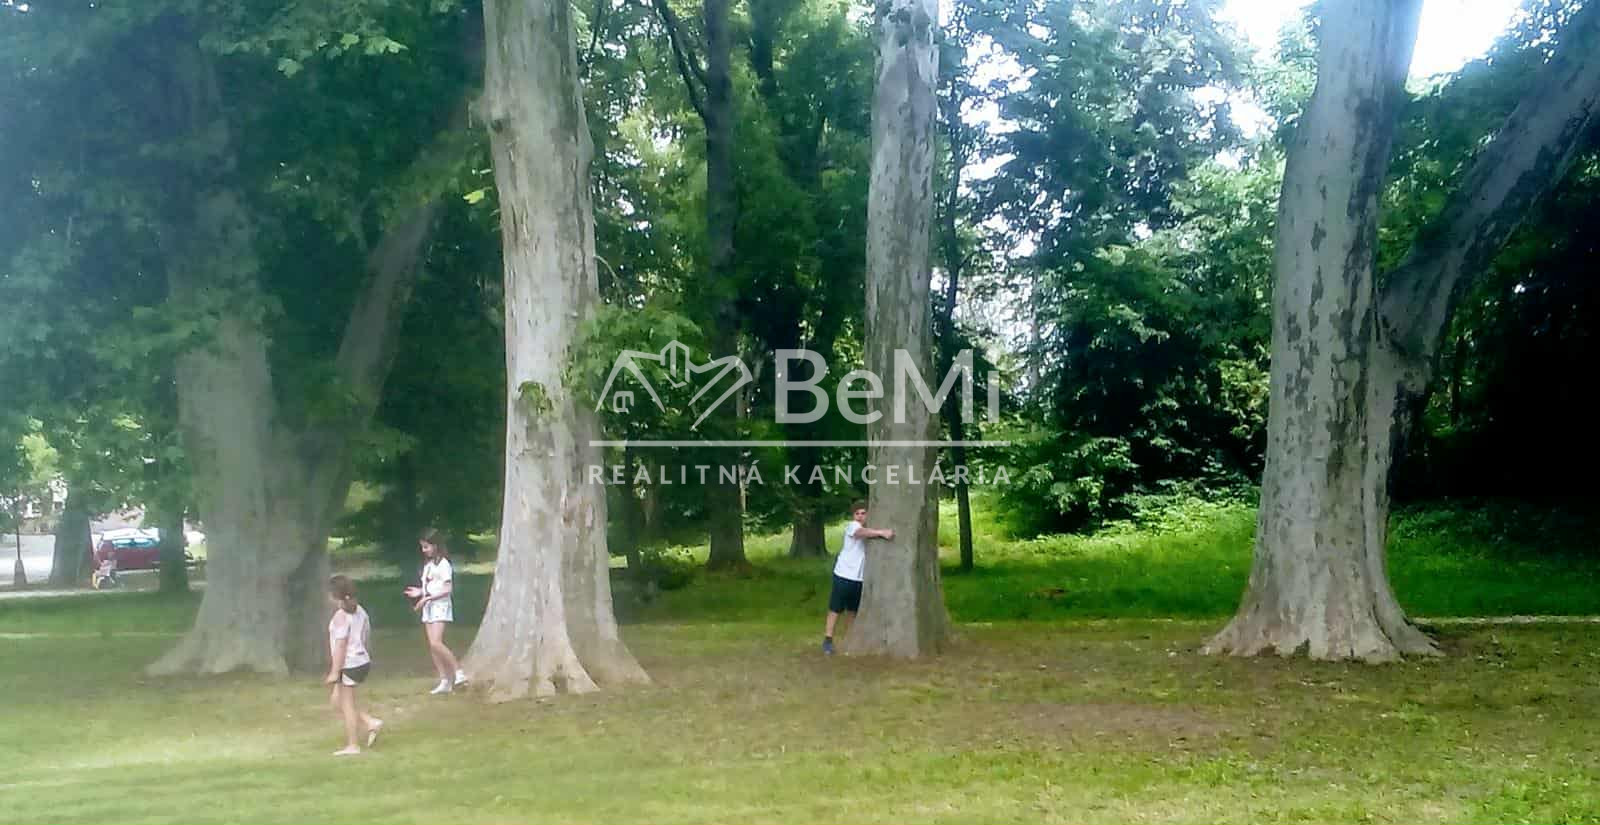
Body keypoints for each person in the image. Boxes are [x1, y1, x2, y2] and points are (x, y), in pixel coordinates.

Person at [822, 501, 895, 655]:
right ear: (853, 516)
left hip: (859, 578)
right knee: (835, 608)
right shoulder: (852, 526)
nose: (860, 516)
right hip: (843, 574)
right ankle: (828, 639)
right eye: (857, 513)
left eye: (863, 513)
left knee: (853, 610)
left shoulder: (869, 529)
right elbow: (860, 533)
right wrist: (881, 533)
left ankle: (849, 639)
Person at [404, 528, 467, 694]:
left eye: (426, 547)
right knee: (432, 646)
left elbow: (447, 589)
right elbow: (431, 586)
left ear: (436, 546)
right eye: (422, 547)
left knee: (436, 642)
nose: (424, 550)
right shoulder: (429, 565)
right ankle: (444, 680)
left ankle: (459, 672)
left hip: (440, 606)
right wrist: (420, 592)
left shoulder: (444, 565)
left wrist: (427, 599)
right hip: (429, 607)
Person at [325, 575, 382, 756]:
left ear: (336, 597)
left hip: (349, 664)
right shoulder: (360, 611)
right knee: (337, 701)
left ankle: (353, 745)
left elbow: (340, 646)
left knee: (347, 705)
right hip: (361, 661)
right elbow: (366, 635)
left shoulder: (340, 617)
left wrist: (335, 672)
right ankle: (369, 722)